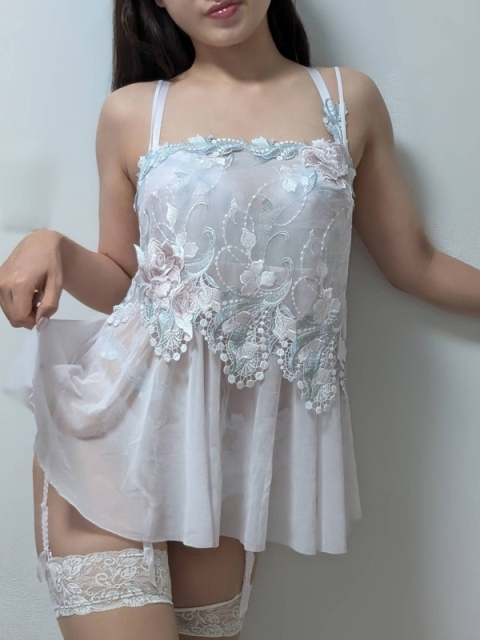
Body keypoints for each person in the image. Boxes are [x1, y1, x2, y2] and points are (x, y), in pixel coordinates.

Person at [2, 0, 480, 638]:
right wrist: (52, 245)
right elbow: (123, 279)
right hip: (110, 438)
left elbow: (415, 263)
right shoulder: (132, 112)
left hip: (225, 466)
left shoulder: (348, 99)